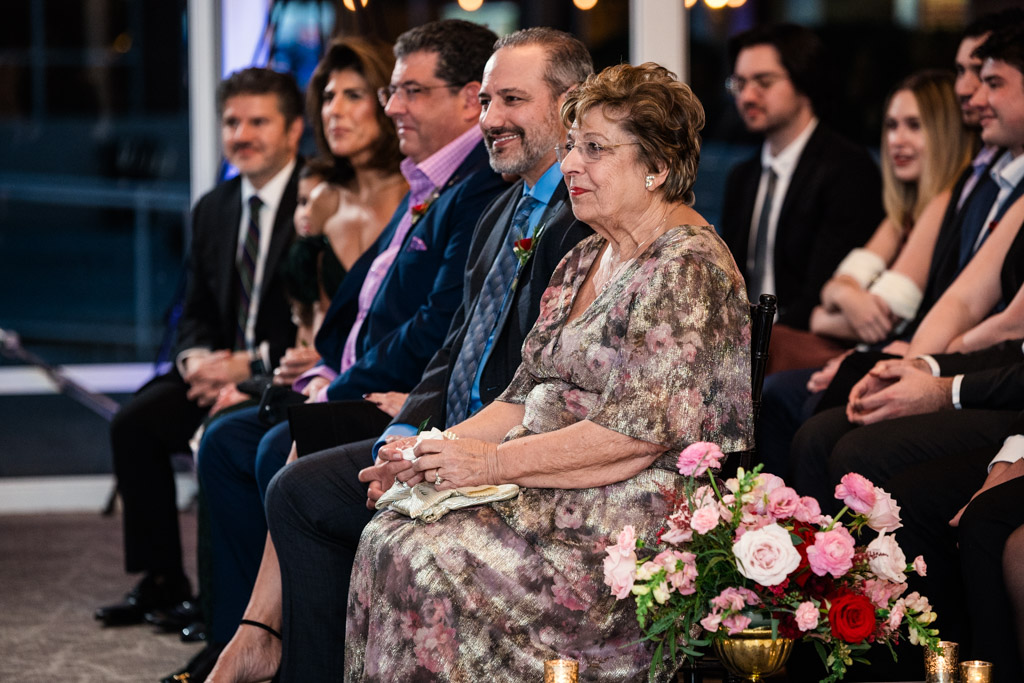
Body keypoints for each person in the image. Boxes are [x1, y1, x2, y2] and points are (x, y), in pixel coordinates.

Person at [339, 62, 752, 682]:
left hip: (630, 524)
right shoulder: (586, 254)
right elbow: (520, 397)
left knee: (418, 554)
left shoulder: (687, 268)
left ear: (657, 167)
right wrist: (431, 448)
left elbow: (634, 438)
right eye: (569, 147)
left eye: (594, 149)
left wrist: (492, 465)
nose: (572, 166)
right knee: (389, 527)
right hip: (557, 487)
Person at [206, 26, 594, 683]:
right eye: (487, 102)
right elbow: (450, 348)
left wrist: (440, 447)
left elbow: (547, 382)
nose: (490, 119)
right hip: (446, 428)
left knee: (294, 478)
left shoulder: (580, 216)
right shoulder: (506, 209)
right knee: (291, 481)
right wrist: (404, 431)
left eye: (511, 101)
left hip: (504, 446)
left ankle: (278, 656)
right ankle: (281, 654)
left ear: (571, 104)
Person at [757, 10, 1022, 475]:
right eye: (892, 126)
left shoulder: (954, 190)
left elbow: (886, 314)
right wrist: (847, 302)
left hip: (958, 360)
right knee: (791, 392)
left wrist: (918, 357)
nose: (970, 89)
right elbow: (832, 299)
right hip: (932, 350)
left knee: (814, 411)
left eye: (986, 77)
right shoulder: (942, 196)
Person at [96, 67, 304, 627]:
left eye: (259, 121)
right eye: (232, 122)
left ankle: (221, 606)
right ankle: (162, 579)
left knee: (221, 438)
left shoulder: (319, 200)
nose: (242, 134)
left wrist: (247, 367)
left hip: (282, 373)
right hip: (215, 367)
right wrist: (195, 362)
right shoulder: (214, 207)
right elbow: (194, 310)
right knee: (133, 424)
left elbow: (326, 319)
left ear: (293, 130)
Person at [719, 23, 881, 332]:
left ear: (803, 81)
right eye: (739, 83)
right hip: (743, 340)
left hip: (806, 339)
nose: (747, 96)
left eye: (763, 82)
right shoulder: (743, 176)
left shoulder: (847, 169)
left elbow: (822, 287)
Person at [808, 71, 973, 347]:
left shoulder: (945, 203)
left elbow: (884, 320)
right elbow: (833, 287)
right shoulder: (904, 213)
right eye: (892, 126)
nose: (897, 140)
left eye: (914, 125)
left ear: (947, 133)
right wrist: (846, 295)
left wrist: (825, 312)